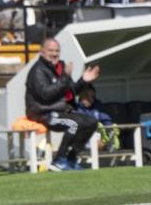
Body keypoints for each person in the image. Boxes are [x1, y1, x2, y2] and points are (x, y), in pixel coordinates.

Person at [25, 37, 101, 171]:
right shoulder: (37, 71)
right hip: (43, 112)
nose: (54, 54)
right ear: (42, 52)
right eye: (51, 50)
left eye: (57, 51)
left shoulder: (60, 67)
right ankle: (58, 160)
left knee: (92, 122)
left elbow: (71, 92)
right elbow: (46, 94)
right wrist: (65, 77)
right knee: (74, 123)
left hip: (61, 111)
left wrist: (83, 80)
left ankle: (71, 158)